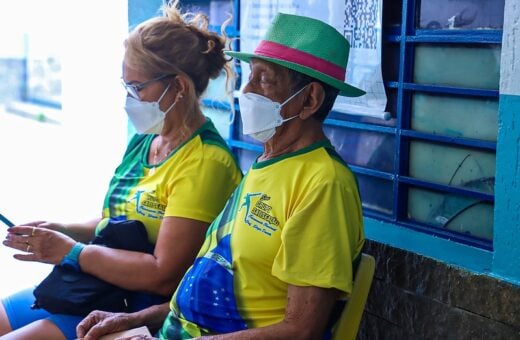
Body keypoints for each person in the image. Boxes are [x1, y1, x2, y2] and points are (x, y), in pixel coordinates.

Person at [77, 12, 366, 340]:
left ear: (310, 98)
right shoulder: (268, 163)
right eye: (249, 76)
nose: (247, 90)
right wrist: (133, 319)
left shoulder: (323, 183)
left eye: (265, 80)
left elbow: (301, 329)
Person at [0, 1, 243, 339]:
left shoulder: (205, 163)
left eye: (138, 87)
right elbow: (115, 222)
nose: (129, 98)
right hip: (96, 287)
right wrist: (64, 229)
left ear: (179, 87)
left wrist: (71, 252)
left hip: (136, 308)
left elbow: (164, 275)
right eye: (125, 85)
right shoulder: (147, 142)